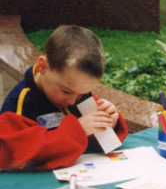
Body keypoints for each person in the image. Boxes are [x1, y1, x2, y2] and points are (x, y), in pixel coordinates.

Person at [0, 25, 128, 171]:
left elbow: (92, 143)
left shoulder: (77, 91)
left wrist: (107, 124)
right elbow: (16, 154)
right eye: (66, 92)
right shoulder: (21, 101)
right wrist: (77, 130)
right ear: (43, 67)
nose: (73, 101)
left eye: (82, 93)